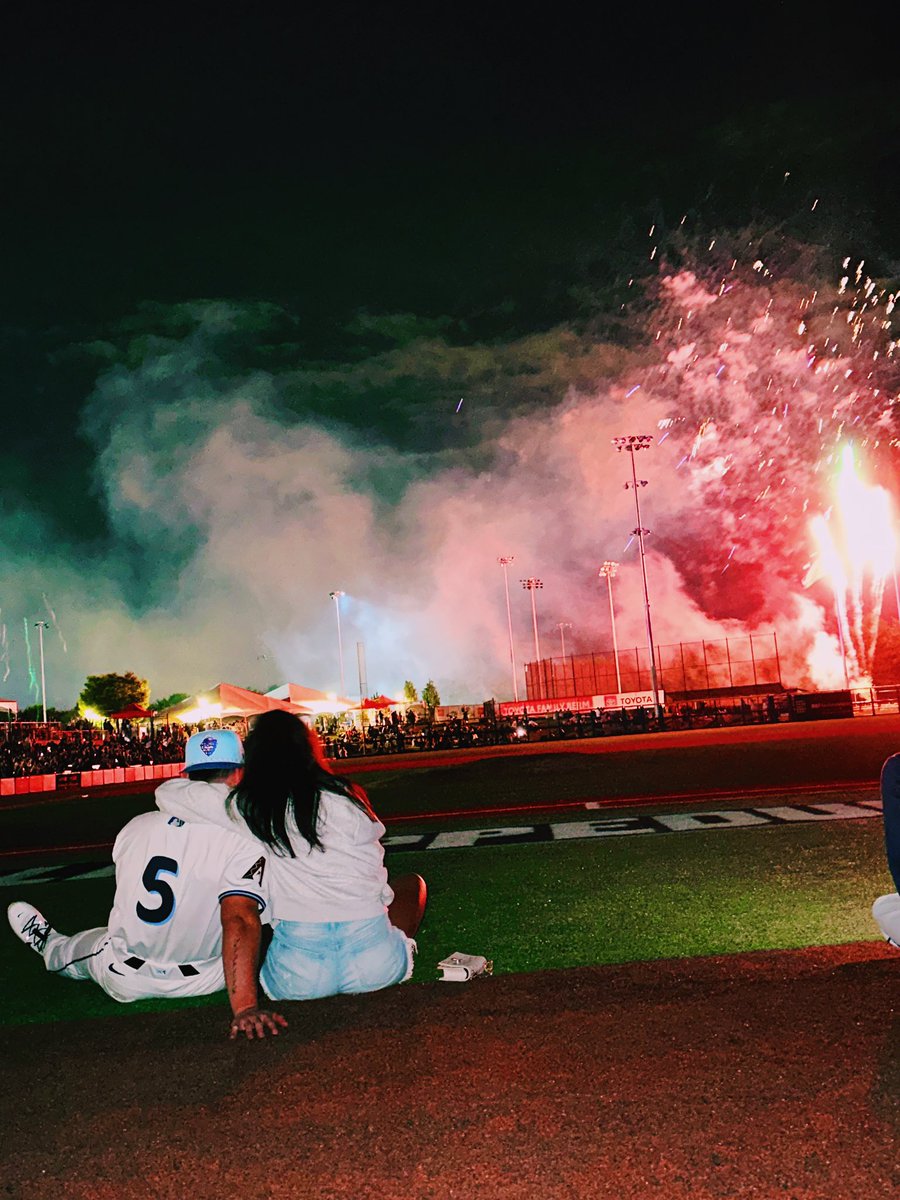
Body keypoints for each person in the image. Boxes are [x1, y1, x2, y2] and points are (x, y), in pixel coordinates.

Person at [7, 729, 287, 1040]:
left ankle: (50, 945)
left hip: (127, 975)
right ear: (239, 772)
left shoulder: (136, 826)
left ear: (188, 774)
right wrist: (245, 1006)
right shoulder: (248, 838)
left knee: (80, 948)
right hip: (211, 976)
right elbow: (240, 918)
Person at [155, 710, 427, 1002]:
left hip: (299, 976)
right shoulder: (349, 795)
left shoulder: (252, 808)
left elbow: (167, 793)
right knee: (412, 884)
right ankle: (399, 945)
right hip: (376, 965)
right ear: (309, 749)